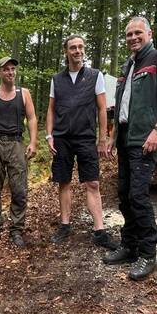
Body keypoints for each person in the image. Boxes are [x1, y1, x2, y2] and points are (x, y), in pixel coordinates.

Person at [103, 16, 157, 280]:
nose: (133, 38)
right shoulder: (128, 65)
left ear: (149, 33)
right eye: (128, 35)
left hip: (145, 139)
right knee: (123, 194)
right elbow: (121, 104)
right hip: (125, 138)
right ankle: (130, 245)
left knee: (138, 196)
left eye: (138, 33)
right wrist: (112, 136)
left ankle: (148, 254)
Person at [45, 35, 117, 248]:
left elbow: (102, 109)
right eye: (73, 48)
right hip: (62, 138)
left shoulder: (95, 76)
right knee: (64, 181)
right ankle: (65, 225)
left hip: (86, 137)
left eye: (80, 47)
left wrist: (102, 138)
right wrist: (49, 135)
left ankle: (99, 230)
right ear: (66, 52)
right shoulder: (57, 80)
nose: (78, 51)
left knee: (92, 182)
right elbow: (50, 109)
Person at [0, 56, 38, 247]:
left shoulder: (24, 94)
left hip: (17, 144)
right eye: (6, 69)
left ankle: (17, 228)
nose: (10, 72)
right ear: (0, 72)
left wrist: (33, 142)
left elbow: (32, 118)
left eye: (13, 69)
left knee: (19, 189)